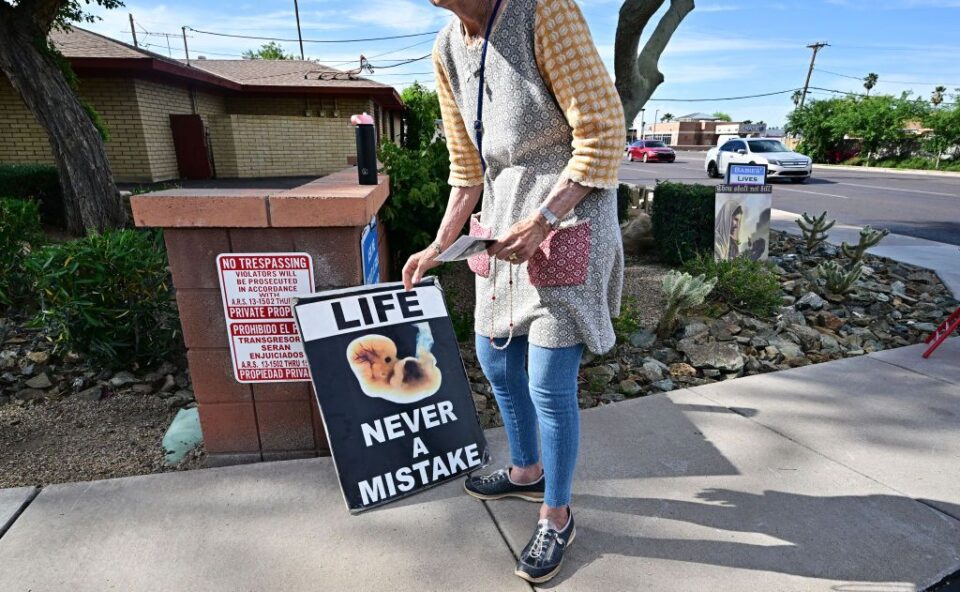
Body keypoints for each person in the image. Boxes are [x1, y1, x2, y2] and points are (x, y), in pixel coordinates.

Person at [402, 0, 624, 583]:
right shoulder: (447, 46)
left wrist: (545, 218)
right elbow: (466, 169)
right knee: (495, 362)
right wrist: (438, 243)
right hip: (501, 231)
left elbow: (603, 134)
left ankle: (557, 514)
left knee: (548, 382)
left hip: (567, 222)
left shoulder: (542, 10)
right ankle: (525, 472)